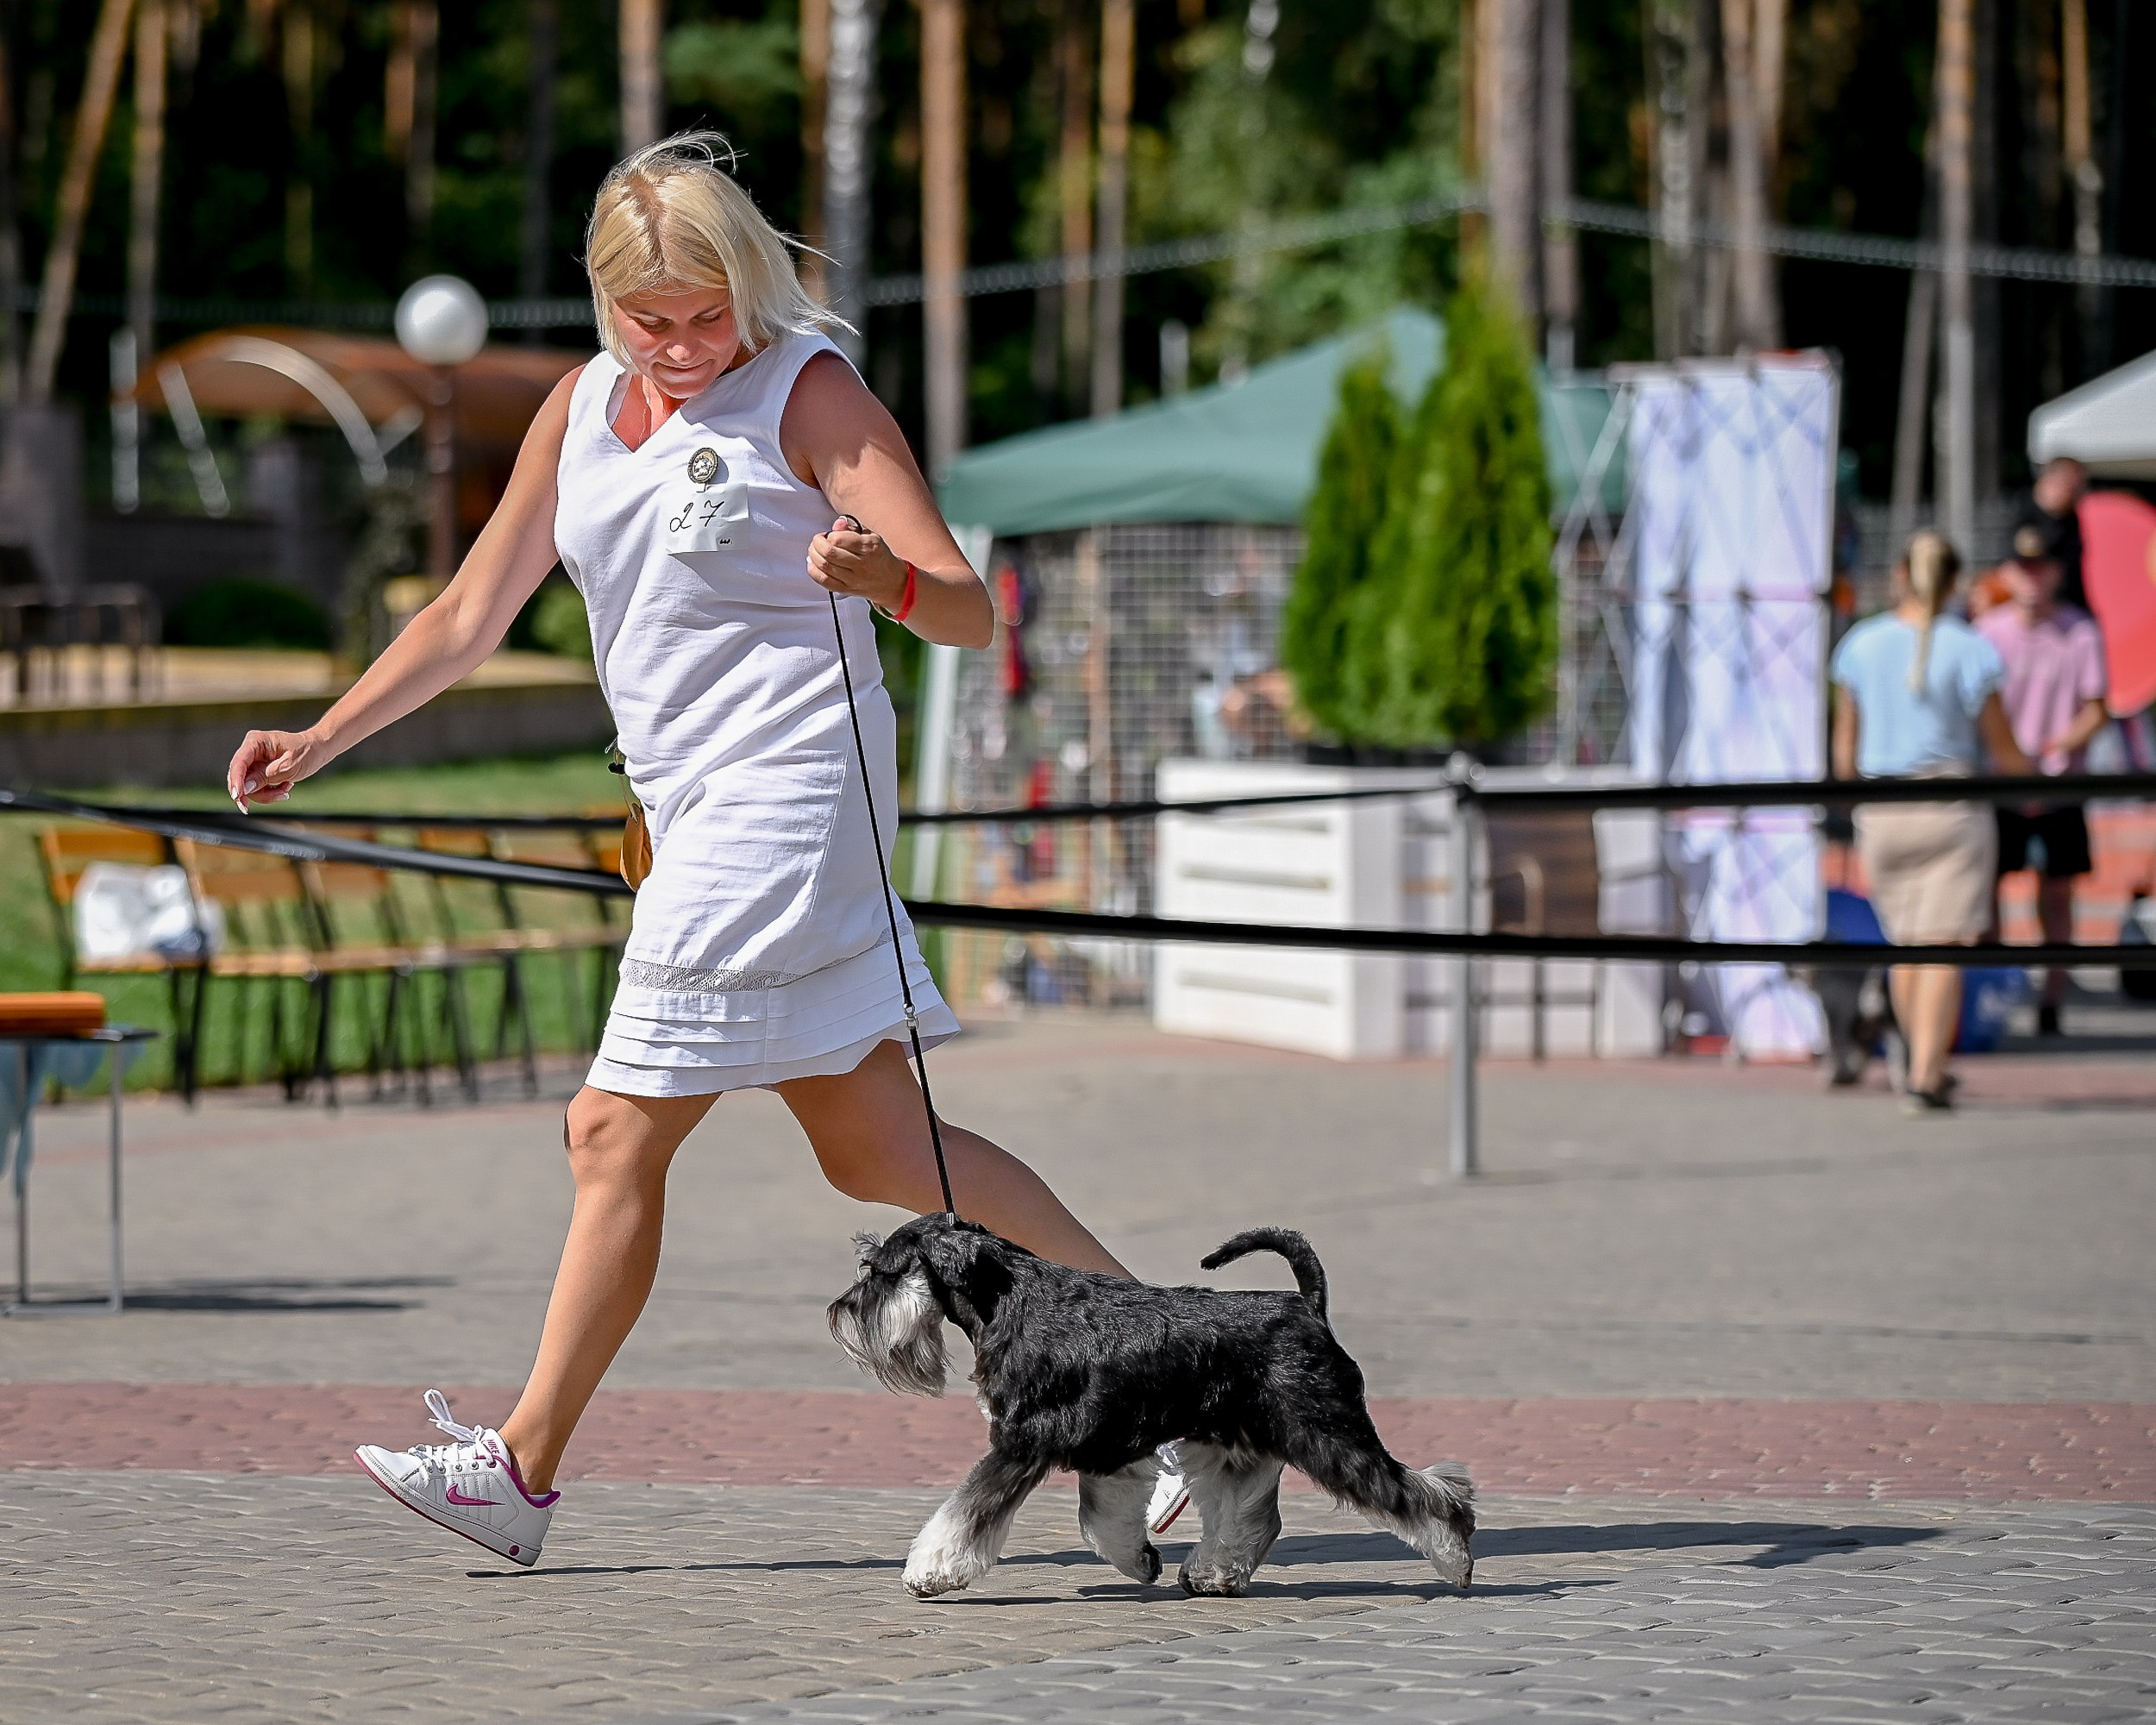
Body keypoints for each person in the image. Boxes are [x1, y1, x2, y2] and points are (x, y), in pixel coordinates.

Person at [223, 135, 1185, 1565]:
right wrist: (322, 737)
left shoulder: (808, 390)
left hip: (790, 800)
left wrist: (882, 578)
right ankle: (1174, 1384)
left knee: (610, 1127)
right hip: (687, 818)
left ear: (749, 284)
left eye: (704, 315)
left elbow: (967, 609)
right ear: (603, 304)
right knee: (880, 1149)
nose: (678, 348)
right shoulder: (577, 406)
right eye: (647, 319)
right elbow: (469, 615)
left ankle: (518, 1470)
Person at [1830, 530, 2032, 1114]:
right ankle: (1926, 1071)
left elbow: (1844, 754)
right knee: (1942, 943)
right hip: (1950, 803)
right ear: (1953, 583)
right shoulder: (1969, 648)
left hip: (1883, 807)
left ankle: (1909, 1064)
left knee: (1905, 944)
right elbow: (2004, 747)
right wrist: (2040, 779)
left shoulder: (1860, 644)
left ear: (1900, 574)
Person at [1977, 524, 2109, 1035]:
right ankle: (1991, 991)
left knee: (2056, 893)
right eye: (2023, 568)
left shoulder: (2080, 631)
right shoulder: (1988, 632)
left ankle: (2052, 996)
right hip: (2000, 782)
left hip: (2058, 783)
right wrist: (2012, 759)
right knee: (1987, 890)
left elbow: (2096, 708)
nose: (2032, 578)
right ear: (2009, 574)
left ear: (2056, 572)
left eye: (2041, 567)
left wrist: (2058, 747)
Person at [2014, 455, 2090, 612]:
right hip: (2033, 609)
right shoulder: (2023, 513)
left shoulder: (2075, 519)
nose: (2078, 493)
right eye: (2071, 486)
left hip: (2070, 608)